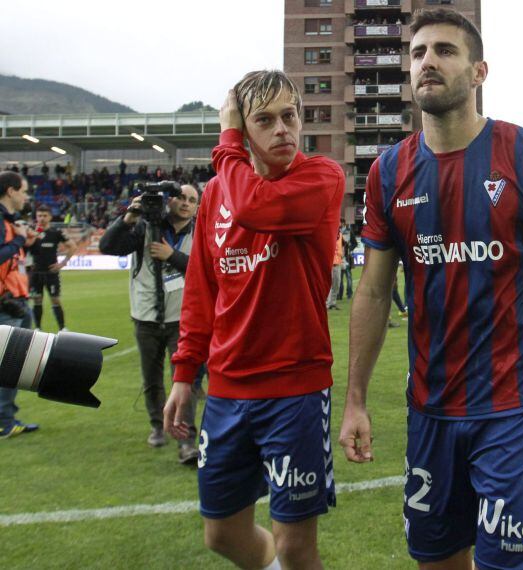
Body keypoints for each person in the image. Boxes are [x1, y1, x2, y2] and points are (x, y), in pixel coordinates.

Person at [338, 9, 523, 569]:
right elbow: (374, 294)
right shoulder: (388, 172)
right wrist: (354, 400)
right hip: (429, 409)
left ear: (479, 72)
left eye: (445, 51)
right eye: (419, 52)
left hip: (515, 407)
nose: (428, 61)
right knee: (437, 561)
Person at [164, 70, 343, 570]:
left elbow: (253, 205)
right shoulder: (216, 194)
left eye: (290, 116)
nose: (283, 129)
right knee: (221, 533)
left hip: (294, 390)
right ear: (246, 131)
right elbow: (202, 290)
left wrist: (227, 143)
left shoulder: (322, 176)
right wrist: (184, 374)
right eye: (265, 120)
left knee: (295, 544)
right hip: (225, 391)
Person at [99, 183, 201, 464]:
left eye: (191, 200)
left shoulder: (201, 233)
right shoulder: (144, 228)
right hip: (145, 316)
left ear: (196, 207)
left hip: (183, 319)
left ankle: (186, 440)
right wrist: (130, 215)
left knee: (185, 382)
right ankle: (157, 425)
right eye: (180, 197)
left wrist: (173, 256)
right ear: (169, 201)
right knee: (151, 379)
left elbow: (207, 272)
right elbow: (107, 246)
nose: (184, 202)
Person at [0, 171, 39, 439]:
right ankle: (4, 420)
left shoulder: (8, 220)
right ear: (11, 191)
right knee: (10, 365)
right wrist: (18, 240)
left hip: (16, 300)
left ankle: (7, 416)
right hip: (6, 303)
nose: (26, 196)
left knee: (16, 365)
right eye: (23, 190)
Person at [27, 204, 77, 331]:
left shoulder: (56, 233)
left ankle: (62, 328)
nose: (42, 218)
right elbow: (25, 246)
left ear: (50, 217)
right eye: (39, 216)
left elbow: (72, 246)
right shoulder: (31, 232)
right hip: (35, 273)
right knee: (37, 300)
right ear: (36, 217)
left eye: (45, 216)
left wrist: (63, 263)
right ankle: (37, 328)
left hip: (51, 272)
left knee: (55, 300)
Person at [327, 221, 344, 310]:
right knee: (329, 284)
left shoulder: (340, 235)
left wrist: (343, 259)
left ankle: (332, 303)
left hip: (338, 262)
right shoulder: (329, 234)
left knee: (336, 283)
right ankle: (327, 303)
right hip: (330, 262)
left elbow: (342, 247)